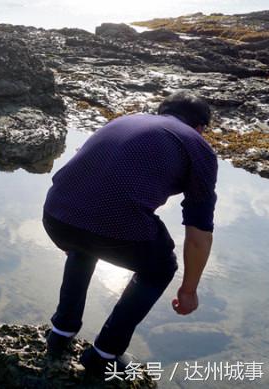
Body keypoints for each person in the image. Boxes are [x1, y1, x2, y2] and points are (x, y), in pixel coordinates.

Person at [42, 92, 217, 375]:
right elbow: (198, 233)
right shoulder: (198, 146)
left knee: (84, 246)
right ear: (200, 128)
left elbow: (84, 174)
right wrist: (188, 290)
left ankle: (60, 333)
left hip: (56, 215)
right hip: (103, 225)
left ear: (162, 111)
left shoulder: (125, 121)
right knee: (160, 268)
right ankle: (104, 354)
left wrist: (69, 233)